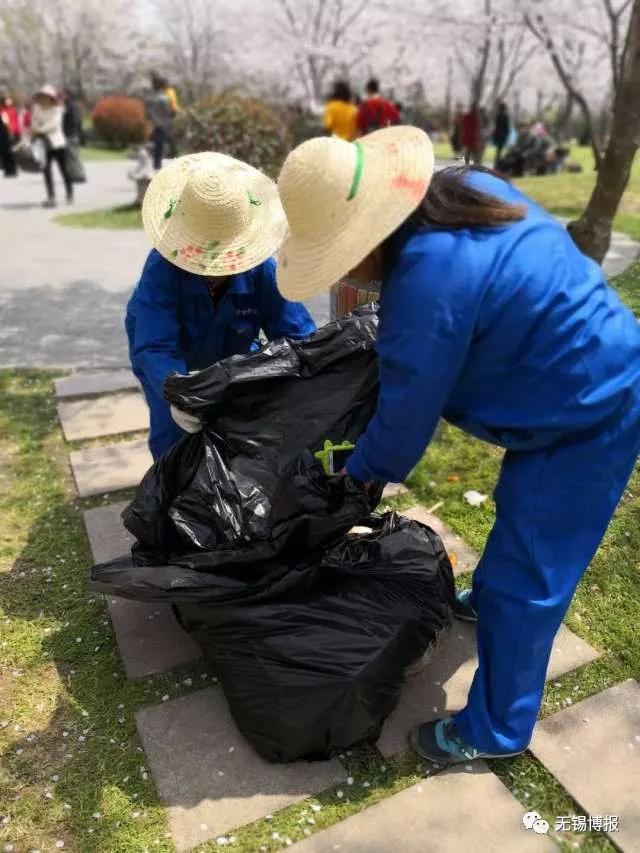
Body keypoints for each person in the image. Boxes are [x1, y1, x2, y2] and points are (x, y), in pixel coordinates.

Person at [275, 128, 640, 765]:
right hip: (580, 371)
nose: (344, 272)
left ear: (367, 238)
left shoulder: (424, 282)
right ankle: (491, 596)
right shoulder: (464, 188)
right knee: (520, 526)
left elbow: (404, 421)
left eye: (340, 256)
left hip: (589, 415)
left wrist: (359, 479)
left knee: (530, 580)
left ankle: (497, 731)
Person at [126, 152, 316, 460]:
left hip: (232, 355)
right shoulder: (161, 269)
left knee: (239, 432)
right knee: (172, 434)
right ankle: (169, 501)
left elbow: (298, 338)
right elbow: (156, 347)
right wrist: (177, 394)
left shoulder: (263, 272)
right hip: (170, 360)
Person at [31, 85, 73, 207]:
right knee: (46, 170)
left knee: (63, 169)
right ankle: (51, 196)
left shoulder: (58, 109)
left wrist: (39, 130)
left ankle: (69, 192)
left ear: (51, 98)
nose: (44, 98)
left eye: (47, 96)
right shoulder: (37, 107)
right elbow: (34, 120)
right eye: (42, 96)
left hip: (57, 143)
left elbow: (54, 124)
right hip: (43, 144)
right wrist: (35, 128)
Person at [146, 74, 174, 170]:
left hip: (153, 124)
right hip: (162, 125)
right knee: (160, 146)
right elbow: (168, 113)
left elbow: (148, 113)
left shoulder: (150, 98)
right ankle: (157, 165)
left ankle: (156, 165)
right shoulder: (164, 98)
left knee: (156, 146)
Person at [0, 94, 18, 177]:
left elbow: (7, 123)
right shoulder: (5, 110)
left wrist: (12, 132)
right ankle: (9, 170)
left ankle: (11, 170)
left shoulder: (7, 110)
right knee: (7, 152)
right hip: (7, 133)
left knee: (7, 152)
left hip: (7, 133)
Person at [492, 102, 510, 168]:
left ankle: (497, 163)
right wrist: (507, 135)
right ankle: (498, 163)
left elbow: (496, 127)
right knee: (500, 150)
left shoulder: (497, 116)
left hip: (498, 136)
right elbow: (507, 127)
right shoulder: (505, 117)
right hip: (503, 136)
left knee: (498, 150)